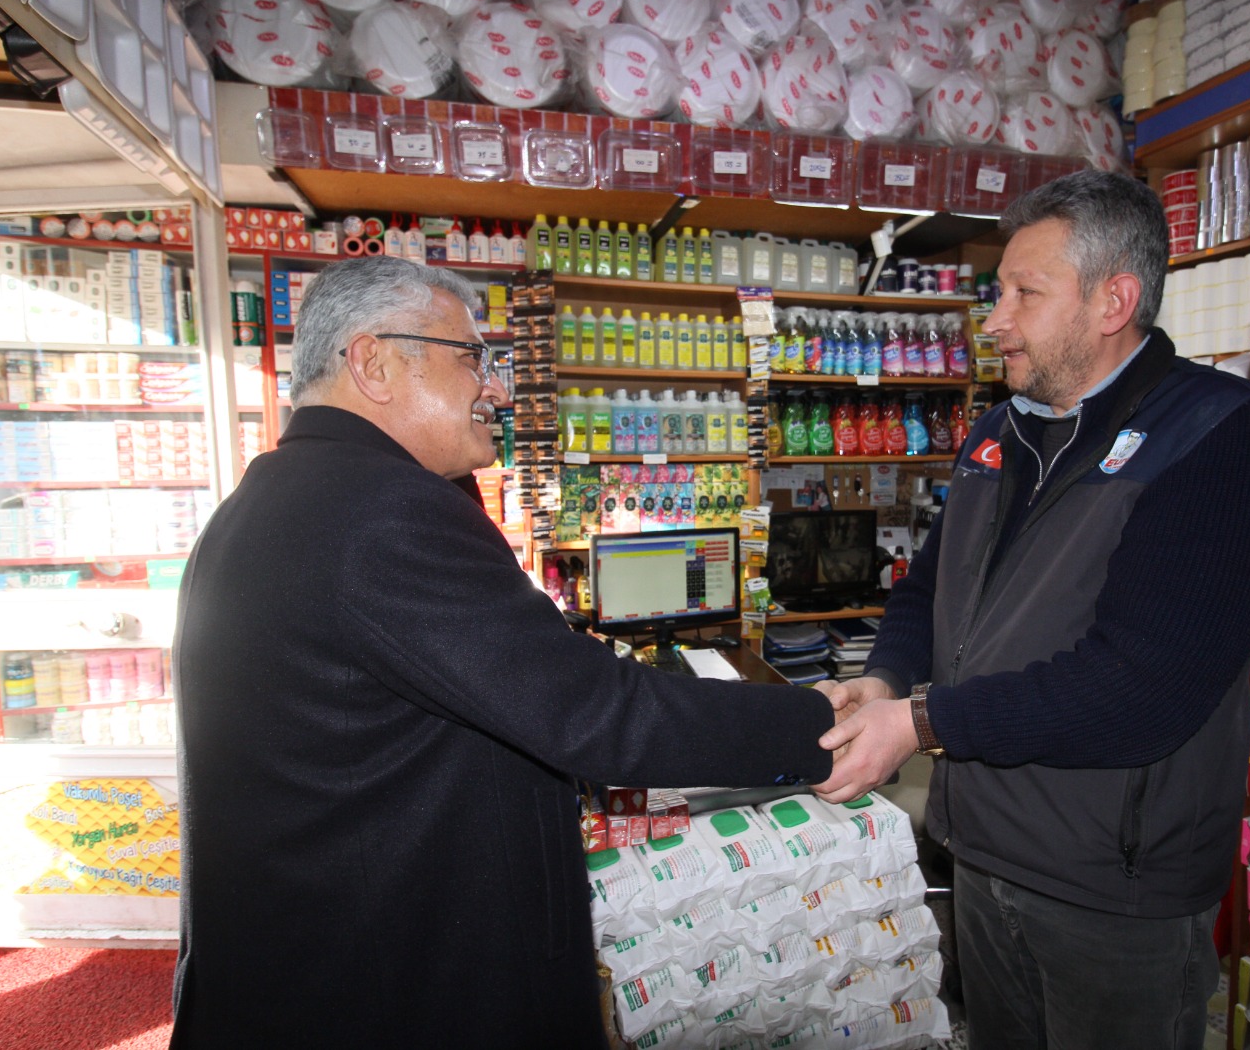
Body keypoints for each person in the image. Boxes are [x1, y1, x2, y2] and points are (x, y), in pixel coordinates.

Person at [170, 256, 836, 1048]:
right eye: (471, 358)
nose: (496, 388)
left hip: (306, 971)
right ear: (373, 363)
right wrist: (822, 724)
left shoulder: (269, 499)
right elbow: (594, 711)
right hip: (390, 993)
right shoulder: (382, 511)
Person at [814, 170, 1250, 1050]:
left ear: (1112, 302)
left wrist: (924, 722)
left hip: (1114, 891)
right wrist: (887, 678)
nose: (994, 321)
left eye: (1025, 293)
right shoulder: (1000, 432)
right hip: (984, 853)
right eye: (999, 293)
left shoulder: (1226, 439)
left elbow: (1143, 687)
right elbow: (929, 589)